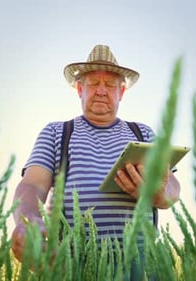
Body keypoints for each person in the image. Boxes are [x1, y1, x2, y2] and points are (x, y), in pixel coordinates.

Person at [11, 44, 181, 275]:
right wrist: (28, 219)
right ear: (80, 89)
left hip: (140, 270)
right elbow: (32, 184)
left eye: (110, 85)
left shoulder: (143, 134)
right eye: (93, 83)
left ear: (121, 92)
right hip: (73, 269)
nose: (101, 91)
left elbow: (172, 187)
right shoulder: (56, 132)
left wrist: (159, 193)